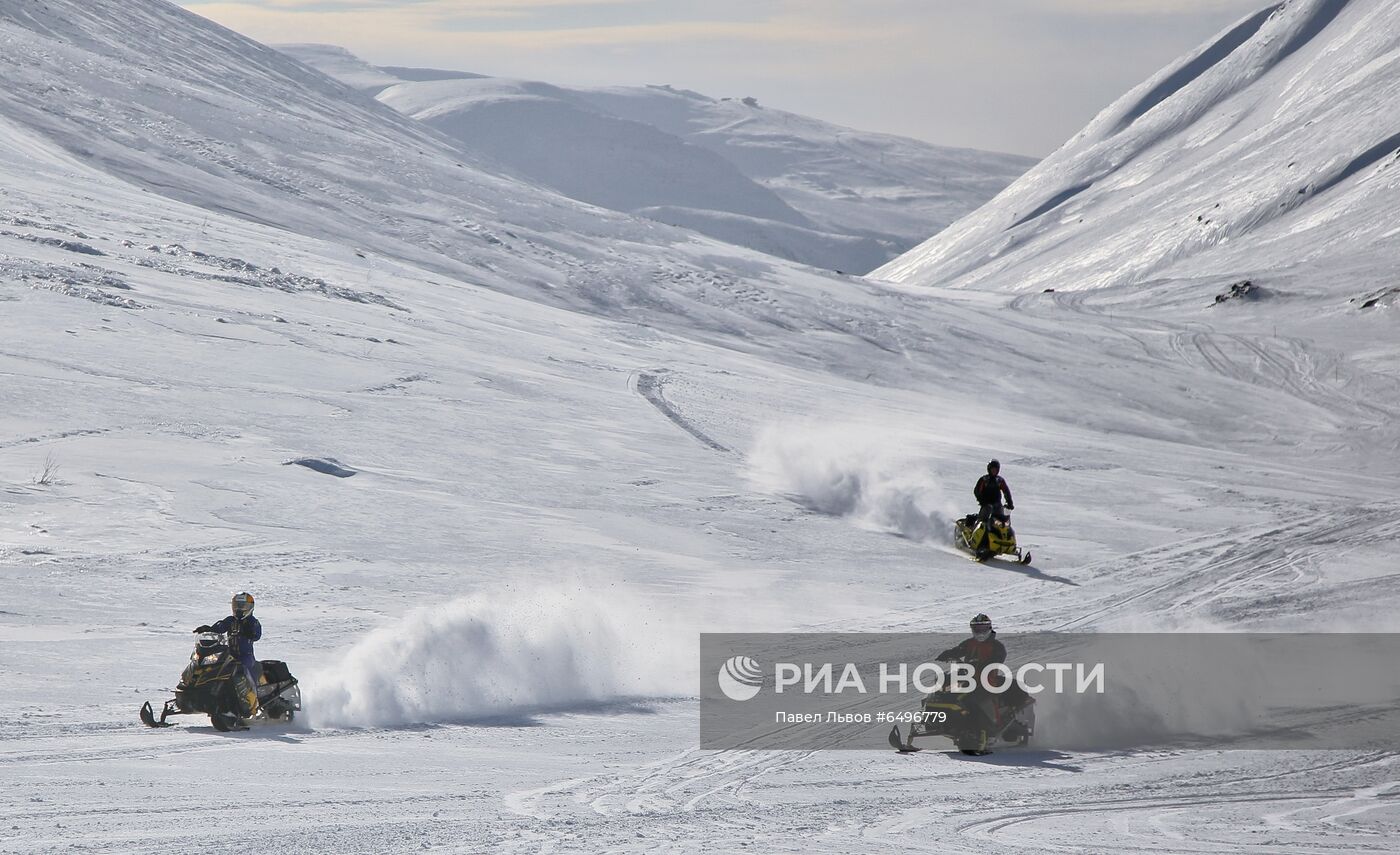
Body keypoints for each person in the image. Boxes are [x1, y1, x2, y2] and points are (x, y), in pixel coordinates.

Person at [195, 591, 262, 690]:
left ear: (250, 607)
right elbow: (220, 627)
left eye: (242, 606)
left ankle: (253, 692)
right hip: (228, 655)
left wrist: (249, 632)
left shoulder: (252, 622)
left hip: (245, 655)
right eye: (237, 605)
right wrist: (208, 629)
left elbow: (256, 635)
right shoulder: (231, 620)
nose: (239, 609)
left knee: (244, 669)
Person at [972, 460, 1014, 559]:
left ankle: (1004, 544)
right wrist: (982, 501)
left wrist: (1010, 503)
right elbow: (977, 491)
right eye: (993, 469)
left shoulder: (999, 480)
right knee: (984, 522)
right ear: (989, 469)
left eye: (996, 469)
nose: (994, 471)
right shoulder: (984, 479)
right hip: (986, 505)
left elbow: (1006, 491)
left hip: (997, 505)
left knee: (1003, 524)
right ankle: (975, 540)